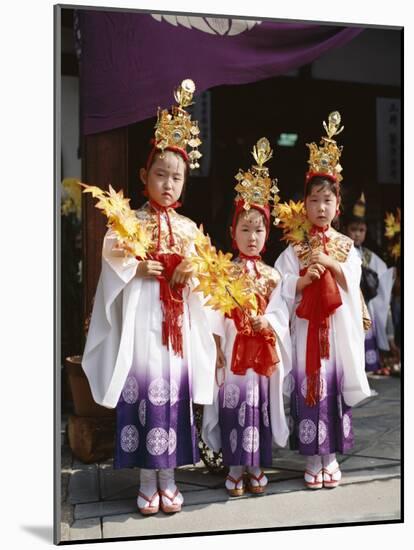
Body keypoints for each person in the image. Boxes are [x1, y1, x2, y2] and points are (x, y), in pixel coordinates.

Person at [82, 79, 216, 515]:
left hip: (175, 329)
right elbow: (111, 263)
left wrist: (191, 271)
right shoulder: (129, 222)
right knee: (142, 393)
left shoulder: (191, 229)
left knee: (172, 393)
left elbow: (207, 277)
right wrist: (135, 267)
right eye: (161, 174)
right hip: (143, 324)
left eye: (177, 177)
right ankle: (145, 478)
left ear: (185, 182)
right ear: (145, 176)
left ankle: (170, 477)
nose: (169, 183)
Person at [275, 112, 371, 490]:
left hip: (334, 334)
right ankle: (312, 460)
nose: (320, 207)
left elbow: (354, 282)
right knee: (309, 391)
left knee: (332, 392)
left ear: (337, 204)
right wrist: (299, 282)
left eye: (327, 200)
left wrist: (331, 262)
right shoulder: (295, 248)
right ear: (304, 204)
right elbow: (280, 283)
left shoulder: (346, 246)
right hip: (305, 334)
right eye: (313, 200)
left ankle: (330, 457)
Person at [202, 138, 291, 497]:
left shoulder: (273, 275)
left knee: (260, 408)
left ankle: (256, 466)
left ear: (267, 234)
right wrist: (217, 344)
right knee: (234, 406)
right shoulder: (223, 272)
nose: (252, 237)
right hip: (235, 351)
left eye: (259, 230)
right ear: (232, 232)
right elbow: (211, 314)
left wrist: (267, 322)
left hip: (262, 352)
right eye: (245, 229)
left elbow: (282, 311)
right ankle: (235, 467)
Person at [343, 193, 396, 375]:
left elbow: (383, 273)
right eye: (353, 229)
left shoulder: (368, 255)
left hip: (364, 305)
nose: (357, 234)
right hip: (348, 304)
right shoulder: (341, 250)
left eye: (361, 230)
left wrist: (391, 274)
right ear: (346, 230)